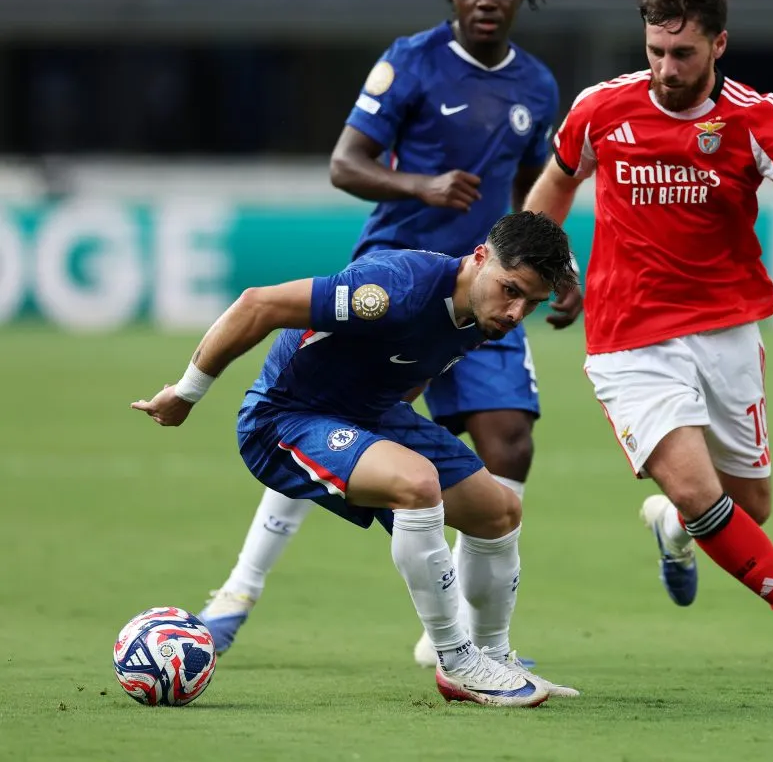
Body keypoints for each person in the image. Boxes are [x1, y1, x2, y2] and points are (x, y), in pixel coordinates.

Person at [196, 0, 582, 665]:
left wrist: (553, 269)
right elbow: (346, 163)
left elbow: (533, 190)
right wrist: (421, 186)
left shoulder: (536, 84)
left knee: (510, 440)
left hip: (491, 294)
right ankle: (238, 591)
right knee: (332, 419)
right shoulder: (411, 61)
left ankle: (454, 633)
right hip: (397, 290)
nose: (487, 0)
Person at [524, 0, 773, 686]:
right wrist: (537, 270)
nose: (667, 69)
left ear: (718, 45)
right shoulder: (601, 108)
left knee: (748, 507)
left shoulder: (755, 116)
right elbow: (557, 182)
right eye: (656, 51)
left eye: (683, 54)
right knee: (703, 494)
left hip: (726, 332)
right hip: (629, 335)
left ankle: (671, 525)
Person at [131, 212, 579, 707]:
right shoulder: (394, 287)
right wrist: (187, 393)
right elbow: (258, 304)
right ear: (479, 258)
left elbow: (415, 363)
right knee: (417, 483)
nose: (516, 313)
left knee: (499, 512)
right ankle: (457, 662)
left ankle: (494, 656)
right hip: (285, 418)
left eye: (531, 303)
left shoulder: (483, 314)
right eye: (511, 290)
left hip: (374, 414)